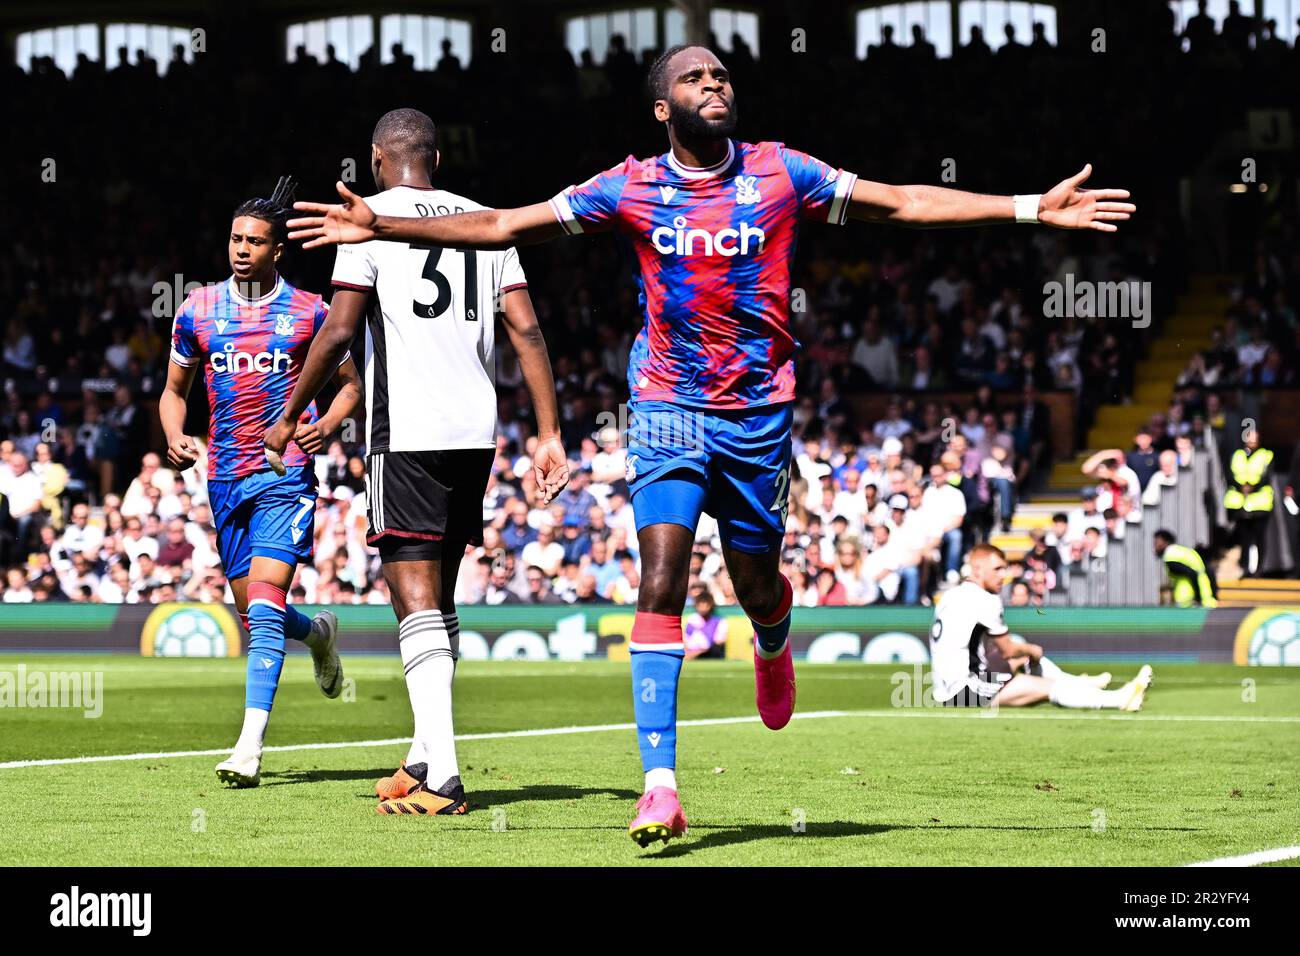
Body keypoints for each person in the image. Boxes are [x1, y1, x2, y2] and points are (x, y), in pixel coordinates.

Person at [286, 45, 1134, 847]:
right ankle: (661, 783)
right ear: (664, 107)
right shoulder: (630, 185)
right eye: (695, 77)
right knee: (661, 574)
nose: (715, 82)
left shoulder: (780, 170)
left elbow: (905, 201)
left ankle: (774, 636)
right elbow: (506, 224)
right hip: (664, 409)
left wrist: (1029, 206)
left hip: (759, 415)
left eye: (722, 74)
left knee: (758, 580)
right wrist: (382, 227)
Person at [264, 109, 569, 816]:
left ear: (378, 159)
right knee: (437, 596)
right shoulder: (486, 219)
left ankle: (446, 777)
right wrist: (547, 429)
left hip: (406, 428)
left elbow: (340, 328)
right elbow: (524, 326)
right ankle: (426, 752)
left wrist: (287, 414)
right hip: (475, 431)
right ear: (435, 157)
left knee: (413, 594)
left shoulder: (366, 219)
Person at [160, 176, 361, 787]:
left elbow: (351, 385)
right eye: (235, 238)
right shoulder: (197, 310)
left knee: (266, 607)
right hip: (223, 478)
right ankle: (319, 636)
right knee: (257, 610)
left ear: (279, 251)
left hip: (284, 474)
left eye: (255, 241)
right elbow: (174, 394)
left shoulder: (311, 313)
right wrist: (174, 435)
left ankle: (248, 746)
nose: (241, 248)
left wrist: (326, 424)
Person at [930, 544, 1152, 710]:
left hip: (944, 688)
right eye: (997, 569)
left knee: (1021, 656)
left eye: (1004, 569)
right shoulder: (985, 599)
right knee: (1045, 684)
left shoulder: (951, 595)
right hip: (964, 692)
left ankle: (1079, 683)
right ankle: (1120, 699)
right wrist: (1031, 650)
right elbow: (1006, 649)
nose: (1003, 576)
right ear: (977, 569)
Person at [1223, 428, 1274, 577]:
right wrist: (1241, 487)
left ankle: (1259, 569)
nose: (1252, 441)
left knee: (1259, 538)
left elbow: (1267, 476)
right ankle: (1245, 567)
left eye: (1254, 438)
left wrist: (1252, 487)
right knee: (1244, 538)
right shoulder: (1237, 455)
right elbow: (1229, 474)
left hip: (1260, 503)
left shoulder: (1266, 455)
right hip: (1240, 503)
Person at [1153, 530, 1217, 607]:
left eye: (1156, 542)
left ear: (1164, 542)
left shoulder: (1170, 554)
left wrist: (1198, 599)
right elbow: (1209, 571)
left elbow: (1192, 573)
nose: (1154, 546)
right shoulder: (1184, 551)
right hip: (1206, 599)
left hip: (1189, 601)